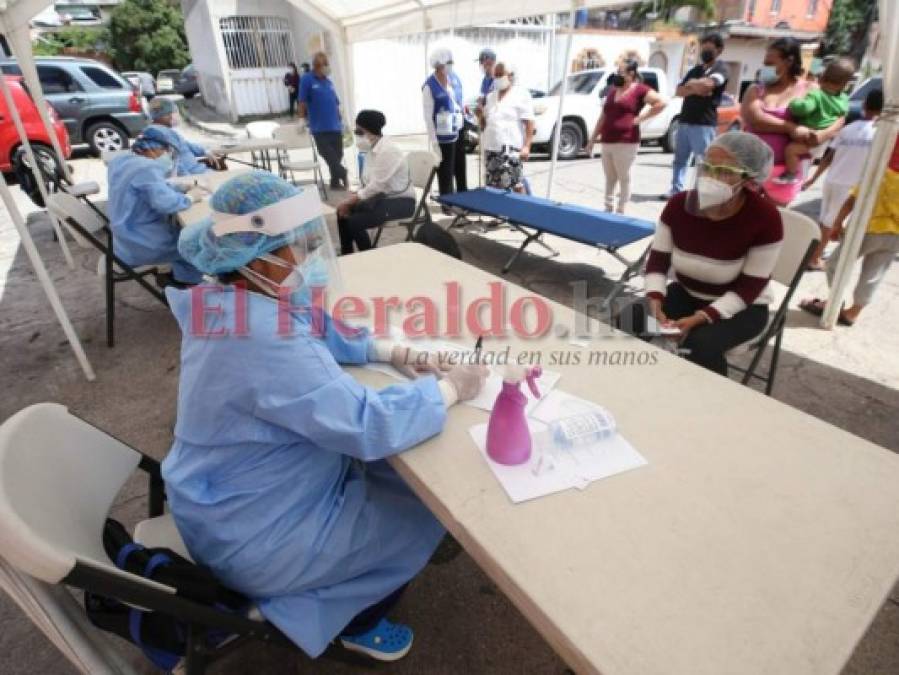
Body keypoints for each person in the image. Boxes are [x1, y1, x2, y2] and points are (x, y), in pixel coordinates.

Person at [166, 171, 489, 662]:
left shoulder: (227, 300)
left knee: (394, 478)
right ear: (260, 261)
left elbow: (312, 326)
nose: (309, 258)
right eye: (297, 247)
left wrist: (391, 349)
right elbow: (367, 425)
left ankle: (336, 585)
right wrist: (449, 389)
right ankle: (354, 621)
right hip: (258, 538)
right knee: (425, 515)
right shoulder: (261, 340)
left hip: (225, 504)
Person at [631, 132, 783, 376]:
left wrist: (701, 317)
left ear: (748, 178)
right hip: (689, 293)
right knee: (630, 319)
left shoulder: (764, 218)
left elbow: (750, 287)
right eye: (707, 167)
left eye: (724, 171)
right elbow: (658, 261)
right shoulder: (679, 206)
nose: (711, 177)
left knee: (700, 346)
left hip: (744, 307)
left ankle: (709, 407)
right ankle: (632, 385)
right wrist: (655, 299)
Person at [800, 137, 899, 326]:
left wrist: (837, 224)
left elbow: (852, 200)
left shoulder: (880, 173)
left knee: (835, 264)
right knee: (874, 274)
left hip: (868, 229)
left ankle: (835, 301)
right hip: (895, 236)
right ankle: (853, 312)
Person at [106, 126, 202, 285]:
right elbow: (166, 204)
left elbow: (145, 188)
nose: (167, 157)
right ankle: (188, 287)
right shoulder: (146, 167)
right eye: (166, 152)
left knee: (182, 234)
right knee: (195, 245)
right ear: (152, 149)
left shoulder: (120, 161)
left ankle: (180, 277)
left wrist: (178, 188)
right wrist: (190, 197)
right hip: (143, 243)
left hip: (123, 240)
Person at [802, 89, 882, 269]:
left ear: (863, 105)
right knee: (829, 223)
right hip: (850, 185)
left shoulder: (847, 129)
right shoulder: (879, 135)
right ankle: (814, 259)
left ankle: (815, 253)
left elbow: (828, 156)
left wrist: (814, 178)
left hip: (831, 180)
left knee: (825, 220)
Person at [742, 38, 845, 178]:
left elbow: (838, 115)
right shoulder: (756, 89)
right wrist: (792, 128)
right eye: (765, 64)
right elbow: (755, 121)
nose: (765, 68)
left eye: (770, 64)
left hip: (784, 173)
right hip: (748, 168)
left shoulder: (810, 89)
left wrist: (822, 134)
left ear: (789, 62)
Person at [587, 59, 667, 213]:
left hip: (626, 141)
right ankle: (608, 207)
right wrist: (592, 139)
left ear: (631, 74)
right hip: (607, 141)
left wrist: (640, 118)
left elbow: (661, 103)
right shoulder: (612, 91)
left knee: (624, 176)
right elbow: (603, 116)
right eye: (617, 72)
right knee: (610, 177)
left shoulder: (640, 90)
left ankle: (621, 209)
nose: (618, 75)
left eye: (621, 72)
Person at [336, 110, 415, 254]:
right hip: (382, 198)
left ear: (368, 130)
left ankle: (369, 256)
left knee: (354, 221)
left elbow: (377, 185)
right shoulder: (373, 150)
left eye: (359, 131)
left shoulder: (388, 151)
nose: (357, 135)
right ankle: (346, 253)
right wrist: (352, 200)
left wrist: (351, 201)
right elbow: (367, 182)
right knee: (342, 212)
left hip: (401, 202)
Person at [663, 33, 728, 198]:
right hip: (685, 120)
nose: (705, 50)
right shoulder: (696, 70)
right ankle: (676, 190)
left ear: (719, 50)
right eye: (703, 46)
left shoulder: (722, 69)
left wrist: (692, 86)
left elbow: (708, 86)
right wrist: (696, 87)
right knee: (680, 160)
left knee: (703, 161)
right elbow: (678, 90)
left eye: (709, 47)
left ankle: (701, 193)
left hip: (703, 124)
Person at [776, 58, 854, 184]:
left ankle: (790, 175)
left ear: (822, 77)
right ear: (844, 84)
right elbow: (843, 114)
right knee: (803, 158)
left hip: (809, 139)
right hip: (824, 142)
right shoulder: (843, 99)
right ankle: (799, 173)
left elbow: (803, 108)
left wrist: (794, 101)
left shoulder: (816, 95)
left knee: (791, 150)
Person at [479, 61, 535, 193]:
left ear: (510, 76)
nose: (497, 78)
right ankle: (498, 213)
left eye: (500, 75)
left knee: (515, 186)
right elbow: (484, 124)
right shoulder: (491, 96)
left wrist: (527, 146)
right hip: (491, 149)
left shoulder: (521, 94)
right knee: (493, 187)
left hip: (510, 150)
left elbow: (530, 122)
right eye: (495, 75)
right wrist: (480, 115)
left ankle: (519, 213)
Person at [299, 51, 349, 190]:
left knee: (338, 155)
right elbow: (302, 101)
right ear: (317, 66)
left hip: (335, 126)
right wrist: (301, 118)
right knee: (326, 153)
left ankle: (334, 182)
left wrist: (342, 119)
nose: (327, 67)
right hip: (319, 127)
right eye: (324, 65)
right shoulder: (307, 79)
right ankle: (342, 172)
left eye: (327, 64)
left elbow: (335, 102)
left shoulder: (328, 82)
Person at [422, 48, 465, 199]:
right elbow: (428, 116)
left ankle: (462, 195)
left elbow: (458, 100)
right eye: (449, 63)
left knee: (460, 164)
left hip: (458, 128)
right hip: (442, 134)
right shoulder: (429, 86)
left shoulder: (452, 78)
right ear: (439, 65)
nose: (451, 65)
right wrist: (433, 141)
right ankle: (447, 199)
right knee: (446, 168)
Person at [148, 97, 220, 176]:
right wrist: (189, 181)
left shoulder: (169, 132)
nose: (177, 115)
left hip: (201, 172)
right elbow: (175, 167)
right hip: (196, 177)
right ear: (165, 116)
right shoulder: (158, 136)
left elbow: (187, 145)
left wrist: (205, 151)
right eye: (175, 112)